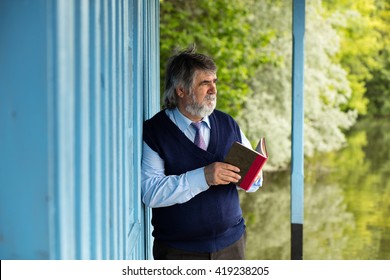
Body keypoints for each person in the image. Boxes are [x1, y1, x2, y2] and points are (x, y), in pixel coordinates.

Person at [141, 45, 262, 260]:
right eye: (205, 83)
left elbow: (253, 183)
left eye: (214, 82)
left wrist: (253, 177)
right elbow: (151, 192)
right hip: (179, 252)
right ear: (181, 89)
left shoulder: (228, 124)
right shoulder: (155, 132)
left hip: (233, 244)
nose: (213, 90)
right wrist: (204, 177)